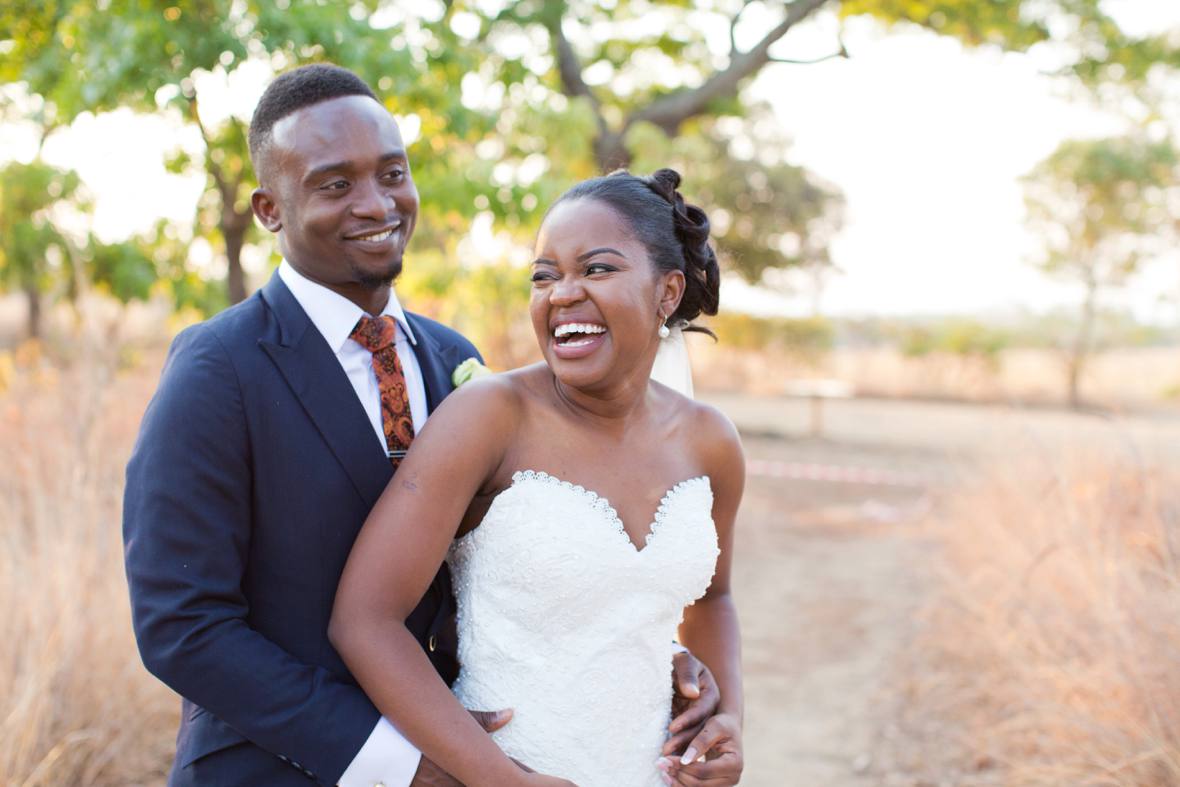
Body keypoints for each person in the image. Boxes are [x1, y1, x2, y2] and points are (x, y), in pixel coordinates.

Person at [122, 64, 719, 787]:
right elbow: (183, 628)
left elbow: (499, 574)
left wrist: (646, 657)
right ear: (269, 209)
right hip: (273, 769)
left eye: (391, 173)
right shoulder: (218, 370)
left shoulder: (452, 359)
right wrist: (400, 760)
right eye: (334, 183)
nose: (376, 203)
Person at [329, 168, 745, 787]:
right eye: (544, 276)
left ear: (667, 291)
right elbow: (364, 622)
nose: (561, 294)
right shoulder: (490, 416)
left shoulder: (711, 441)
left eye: (596, 269)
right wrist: (497, 779)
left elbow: (713, 598)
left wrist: (727, 723)